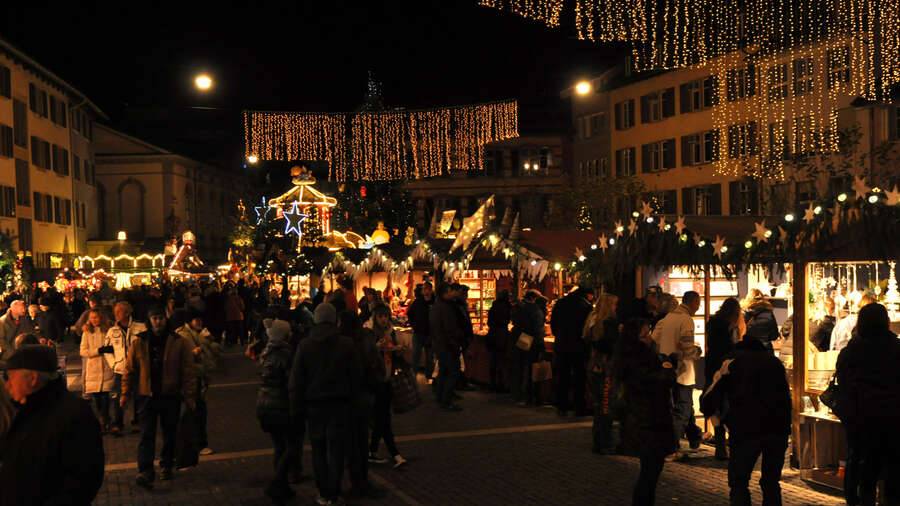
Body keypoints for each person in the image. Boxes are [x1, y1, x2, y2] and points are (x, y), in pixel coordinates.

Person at [0, 345, 105, 505]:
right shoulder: (27, 410)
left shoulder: (73, 415)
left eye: (10, 377)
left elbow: (83, 480)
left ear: (33, 378)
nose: (7, 386)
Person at [701, 327, 792, 506]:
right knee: (771, 481)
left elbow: (711, 397)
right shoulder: (775, 364)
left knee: (739, 481)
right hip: (777, 428)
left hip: (746, 428)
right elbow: (785, 398)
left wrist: (715, 416)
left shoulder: (733, 364)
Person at [289, 303, 362, 506]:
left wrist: (295, 407)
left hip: (314, 406)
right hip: (340, 404)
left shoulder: (305, 345)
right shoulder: (346, 344)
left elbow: (296, 380)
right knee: (336, 450)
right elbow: (356, 377)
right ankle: (335, 490)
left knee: (319, 450)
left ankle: (323, 492)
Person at [121, 306, 197, 489]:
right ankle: (145, 470)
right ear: (149, 320)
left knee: (169, 433)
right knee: (146, 434)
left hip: (170, 395)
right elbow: (129, 369)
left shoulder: (178, 341)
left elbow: (187, 371)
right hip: (146, 396)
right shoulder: (139, 342)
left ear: (166, 319)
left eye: (161, 318)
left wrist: (190, 395)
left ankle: (166, 465)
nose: (158, 321)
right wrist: (125, 392)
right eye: (154, 318)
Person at [835, 303, 900, 506]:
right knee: (893, 467)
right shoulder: (896, 350)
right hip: (893, 419)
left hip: (860, 419)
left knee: (861, 465)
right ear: (886, 322)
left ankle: (858, 500)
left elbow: (844, 385)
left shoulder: (850, 352)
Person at [614, 319, 677, 506]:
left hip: (644, 420)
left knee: (650, 472)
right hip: (649, 421)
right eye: (645, 334)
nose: (649, 338)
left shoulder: (632, 356)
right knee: (649, 473)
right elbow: (654, 383)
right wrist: (668, 369)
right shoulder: (638, 359)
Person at [339, 310, 386, 500]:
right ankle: (362, 482)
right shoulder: (365, 340)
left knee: (350, 442)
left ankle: (354, 481)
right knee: (361, 439)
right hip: (364, 394)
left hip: (345, 397)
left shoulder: (339, 342)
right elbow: (377, 365)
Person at [651, 291, 703, 456]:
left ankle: (694, 437)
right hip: (683, 370)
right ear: (694, 302)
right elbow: (686, 346)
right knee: (683, 408)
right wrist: (697, 351)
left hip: (668, 369)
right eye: (698, 303)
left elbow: (654, 339)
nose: (698, 307)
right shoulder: (686, 320)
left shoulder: (666, 319)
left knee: (685, 407)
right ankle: (671, 445)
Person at [256, 317, 299, 504]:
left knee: (279, 445)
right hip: (279, 404)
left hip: (264, 403)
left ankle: (282, 485)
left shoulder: (266, 352)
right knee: (290, 445)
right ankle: (277, 482)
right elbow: (291, 382)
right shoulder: (285, 355)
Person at [364, 303, 408, 468]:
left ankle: (372, 451)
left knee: (382, 418)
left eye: (386, 316)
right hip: (376, 380)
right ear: (375, 317)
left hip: (388, 378)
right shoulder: (369, 333)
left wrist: (398, 350)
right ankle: (395, 454)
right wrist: (376, 348)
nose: (384, 320)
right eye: (381, 316)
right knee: (383, 418)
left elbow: (395, 353)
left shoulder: (391, 332)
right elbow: (366, 355)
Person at [176, 309, 220, 457]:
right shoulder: (184, 335)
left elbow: (214, 352)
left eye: (200, 319)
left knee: (198, 411)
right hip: (192, 379)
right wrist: (204, 342)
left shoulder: (200, 334)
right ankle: (198, 444)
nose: (199, 322)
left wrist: (210, 340)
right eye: (196, 319)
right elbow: (191, 355)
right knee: (196, 411)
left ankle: (194, 443)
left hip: (201, 376)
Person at [704, 297, 742, 460]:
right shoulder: (731, 326)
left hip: (712, 365)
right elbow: (734, 346)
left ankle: (720, 442)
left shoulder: (712, 323)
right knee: (727, 403)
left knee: (713, 402)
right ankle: (729, 444)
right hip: (726, 367)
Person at [582, 293, 620, 453]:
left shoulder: (592, 320)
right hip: (605, 368)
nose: (616, 308)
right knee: (606, 405)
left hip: (594, 365)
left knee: (599, 405)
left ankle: (599, 440)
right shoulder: (607, 323)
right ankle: (604, 442)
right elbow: (609, 345)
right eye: (614, 305)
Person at [550, 286, 594, 417]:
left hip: (562, 344)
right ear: (587, 294)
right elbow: (587, 329)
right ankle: (579, 406)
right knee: (579, 377)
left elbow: (553, 324)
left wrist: (558, 335)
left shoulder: (560, 303)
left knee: (563, 376)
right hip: (579, 346)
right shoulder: (586, 307)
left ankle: (562, 405)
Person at [106, 301, 148, 435]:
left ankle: (137, 422)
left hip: (137, 369)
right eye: (115, 311)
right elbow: (107, 350)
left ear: (128, 312)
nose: (117, 314)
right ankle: (117, 423)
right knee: (118, 397)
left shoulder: (141, 328)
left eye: (120, 311)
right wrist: (114, 364)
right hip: (120, 369)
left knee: (138, 396)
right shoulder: (112, 331)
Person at [430, 283, 465, 411]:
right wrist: (456, 341)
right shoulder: (445, 308)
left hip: (440, 345)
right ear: (445, 292)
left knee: (444, 372)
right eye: (450, 291)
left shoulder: (436, 306)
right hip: (447, 346)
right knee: (452, 372)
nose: (452, 293)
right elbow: (450, 329)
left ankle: (441, 397)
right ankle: (446, 400)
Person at [80, 308, 116, 433]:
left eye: (96, 317)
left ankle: (105, 421)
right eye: (92, 318)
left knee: (106, 398)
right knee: (97, 400)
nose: (94, 320)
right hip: (93, 369)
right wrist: (98, 351)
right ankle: (102, 421)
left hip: (106, 368)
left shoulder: (108, 330)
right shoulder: (87, 333)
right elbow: (83, 351)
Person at [511, 290, 548, 407]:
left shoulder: (520, 308)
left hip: (522, 338)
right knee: (534, 367)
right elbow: (537, 329)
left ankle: (520, 395)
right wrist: (541, 344)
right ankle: (534, 396)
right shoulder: (536, 311)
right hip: (532, 340)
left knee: (522, 366)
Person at [406, 282, 435, 382]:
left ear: (431, 289)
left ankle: (429, 376)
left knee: (430, 357)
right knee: (415, 356)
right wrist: (414, 325)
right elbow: (410, 314)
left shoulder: (435, 301)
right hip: (418, 333)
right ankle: (413, 376)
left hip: (430, 334)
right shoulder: (418, 302)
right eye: (424, 289)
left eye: (427, 289)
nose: (425, 291)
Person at [486, 289, 512, 392]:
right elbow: (507, 320)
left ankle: (492, 383)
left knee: (493, 361)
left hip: (492, 335)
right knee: (501, 361)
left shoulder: (493, 307)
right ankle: (501, 384)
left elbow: (489, 322)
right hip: (501, 336)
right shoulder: (506, 307)